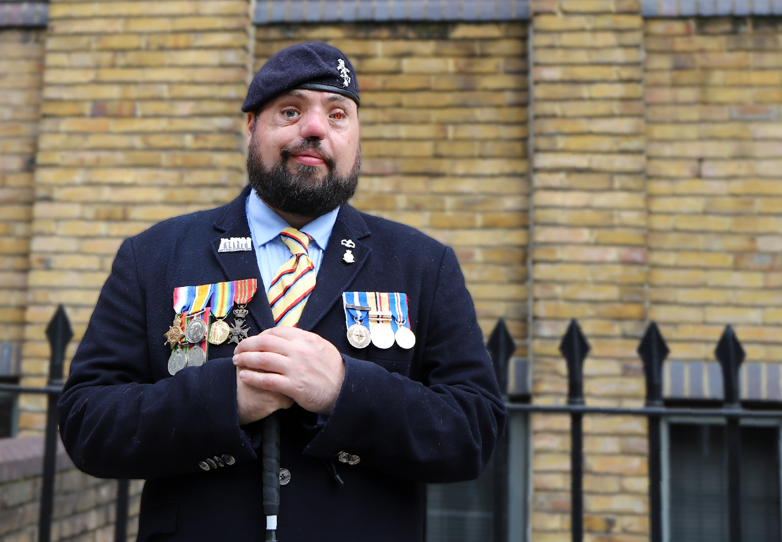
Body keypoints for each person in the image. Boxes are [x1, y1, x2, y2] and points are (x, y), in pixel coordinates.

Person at [58, 42, 506, 541]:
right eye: (290, 111)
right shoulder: (154, 256)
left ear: (356, 138)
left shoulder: (423, 264)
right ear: (251, 127)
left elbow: (475, 431)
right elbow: (86, 423)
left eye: (338, 115)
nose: (315, 129)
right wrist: (223, 398)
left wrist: (344, 390)